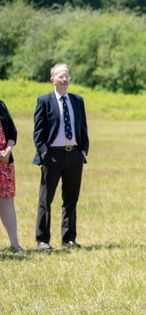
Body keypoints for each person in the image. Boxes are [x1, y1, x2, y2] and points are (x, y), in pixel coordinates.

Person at [33, 63, 89, 251]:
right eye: (60, 76)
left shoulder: (77, 100)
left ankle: (68, 239)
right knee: (46, 199)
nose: (65, 79)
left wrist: (83, 151)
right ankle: (42, 240)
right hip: (52, 156)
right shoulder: (44, 101)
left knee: (71, 199)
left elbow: (83, 128)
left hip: (74, 155)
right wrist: (44, 154)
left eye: (67, 76)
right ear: (52, 80)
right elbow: (38, 132)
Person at [0, 100, 24, 252]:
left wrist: (8, 150)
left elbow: (12, 131)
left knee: (7, 202)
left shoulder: (0, 105)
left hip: (5, 162)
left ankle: (15, 244)